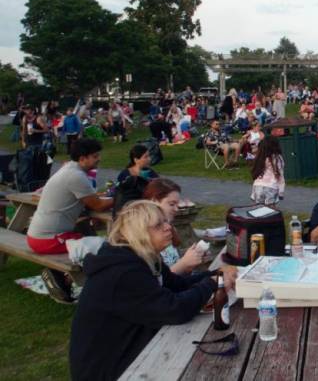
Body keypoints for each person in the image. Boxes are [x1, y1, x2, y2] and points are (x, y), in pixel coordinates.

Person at [69, 200, 237, 381]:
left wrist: (216, 274)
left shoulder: (142, 256)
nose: (168, 228)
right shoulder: (123, 273)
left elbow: (177, 284)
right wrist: (212, 282)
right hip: (108, 369)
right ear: (138, 233)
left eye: (165, 221)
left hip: (133, 345)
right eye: (158, 225)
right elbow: (174, 310)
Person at [26, 139, 115, 303]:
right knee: (103, 247)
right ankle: (63, 279)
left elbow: (91, 199)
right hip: (47, 239)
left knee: (87, 234)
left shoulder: (69, 169)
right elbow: (98, 205)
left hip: (38, 235)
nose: (99, 159)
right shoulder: (75, 176)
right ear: (83, 158)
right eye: (95, 156)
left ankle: (61, 276)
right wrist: (119, 197)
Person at [143, 178, 208, 275]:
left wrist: (191, 261)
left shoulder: (168, 227)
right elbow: (157, 280)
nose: (176, 209)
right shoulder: (143, 233)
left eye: (177, 204)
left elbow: (173, 269)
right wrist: (184, 263)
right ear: (154, 201)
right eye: (172, 204)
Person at [250, 136, 285, 206]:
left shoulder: (261, 157)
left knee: (258, 209)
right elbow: (280, 176)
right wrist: (281, 192)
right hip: (271, 186)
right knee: (270, 211)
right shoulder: (277, 158)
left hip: (257, 186)